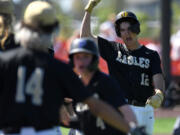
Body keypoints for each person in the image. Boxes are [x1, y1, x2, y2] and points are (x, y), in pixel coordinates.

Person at [0, 1, 140, 135]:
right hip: (45, 132)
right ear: (52, 29)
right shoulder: (59, 69)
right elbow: (95, 106)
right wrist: (130, 128)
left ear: (23, 26)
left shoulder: (5, 62)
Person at [80, 0, 165, 135]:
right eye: (123, 30)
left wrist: (159, 93)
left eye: (130, 29)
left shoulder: (151, 54)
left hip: (145, 109)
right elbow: (85, 37)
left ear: (136, 29)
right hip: (122, 108)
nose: (127, 33)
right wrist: (88, 10)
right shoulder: (113, 49)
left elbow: (158, 76)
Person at [65, 38, 140, 135]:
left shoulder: (105, 82)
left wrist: (134, 128)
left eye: (86, 56)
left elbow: (125, 109)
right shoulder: (74, 84)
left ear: (94, 59)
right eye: (77, 57)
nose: (81, 61)